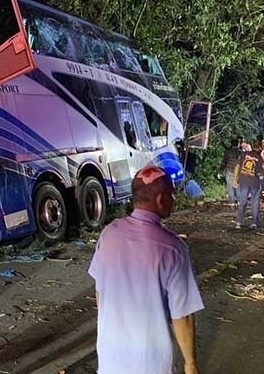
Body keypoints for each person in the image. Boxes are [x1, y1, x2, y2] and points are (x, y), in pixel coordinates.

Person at [88, 165, 204, 374]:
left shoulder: (109, 234)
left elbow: (100, 293)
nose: (173, 200)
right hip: (149, 363)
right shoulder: (173, 249)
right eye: (171, 195)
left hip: (110, 357)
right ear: (160, 199)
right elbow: (182, 316)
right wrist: (190, 363)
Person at [233, 139, 264, 229]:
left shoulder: (244, 154)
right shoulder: (259, 158)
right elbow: (260, 173)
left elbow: (237, 166)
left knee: (242, 202)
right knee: (255, 202)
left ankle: (238, 222)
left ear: (252, 145)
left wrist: (235, 179)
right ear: (260, 147)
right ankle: (254, 223)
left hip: (243, 181)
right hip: (254, 183)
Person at [219, 137, 243, 204]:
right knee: (238, 186)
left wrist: (220, 171)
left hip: (229, 171)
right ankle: (239, 201)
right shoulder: (241, 152)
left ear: (231, 144)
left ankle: (232, 201)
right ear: (238, 144)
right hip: (239, 172)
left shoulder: (228, 152)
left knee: (230, 187)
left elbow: (224, 162)